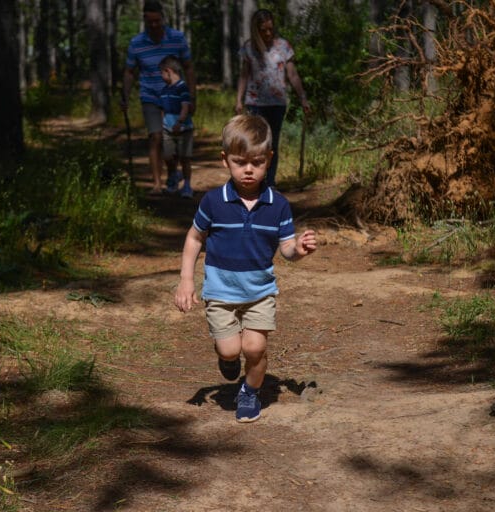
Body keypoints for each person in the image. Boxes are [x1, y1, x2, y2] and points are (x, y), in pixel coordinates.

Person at [174, 114, 317, 423]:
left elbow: (287, 249)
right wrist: (187, 281)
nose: (249, 170)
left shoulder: (277, 205)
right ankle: (226, 360)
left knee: (254, 347)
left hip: (259, 292)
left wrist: (299, 250)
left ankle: (250, 392)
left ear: (269, 159)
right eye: (240, 162)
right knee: (229, 351)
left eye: (257, 162)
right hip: (221, 291)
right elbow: (194, 238)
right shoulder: (214, 202)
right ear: (225, 160)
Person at [122, 0, 196, 196]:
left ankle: (173, 173)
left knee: (174, 140)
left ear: (163, 18)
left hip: (175, 99)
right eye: (150, 21)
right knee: (155, 137)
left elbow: (188, 67)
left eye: (157, 21)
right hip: (151, 96)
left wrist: (192, 97)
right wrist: (125, 96)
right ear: (145, 20)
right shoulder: (136, 43)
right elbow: (129, 72)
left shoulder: (177, 38)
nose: (154, 25)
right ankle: (157, 183)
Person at [235, 9, 310, 189]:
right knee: (256, 142)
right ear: (256, 30)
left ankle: (270, 183)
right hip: (255, 103)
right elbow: (244, 75)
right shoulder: (248, 48)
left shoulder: (283, 46)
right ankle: (255, 180)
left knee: (272, 143)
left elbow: (292, 74)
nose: (268, 33)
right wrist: (239, 100)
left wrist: (303, 98)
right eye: (263, 30)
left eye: (270, 29)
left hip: (277, 103)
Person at [158, 56, 194, 199]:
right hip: (167, 129)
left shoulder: (182, 88)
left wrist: (179, 122)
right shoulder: (164, 90)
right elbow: (162, 110)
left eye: (161, 73)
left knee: (185, 158)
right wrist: (163, 125)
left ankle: (186, 185)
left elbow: (185, 107)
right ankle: (174, 176)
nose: (161, 76)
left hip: (183, 129)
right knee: (168, 156)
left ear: (168, 71)